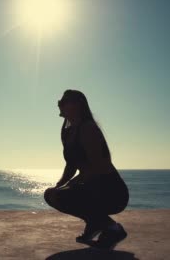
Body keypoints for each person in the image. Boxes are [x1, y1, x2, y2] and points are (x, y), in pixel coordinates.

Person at [44, 89, 129, 249]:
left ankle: (113, 229)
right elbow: (71, 165)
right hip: (91, 187)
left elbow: (96, 166)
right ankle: (95, 225)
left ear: (77, 105)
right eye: (59, 102)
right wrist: (59, 185)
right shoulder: (67, 132)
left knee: (61, 196)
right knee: (51, 195)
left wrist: (70, 186)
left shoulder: (88, 128)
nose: (59, 105)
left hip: (111, 190)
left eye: (63, 102)